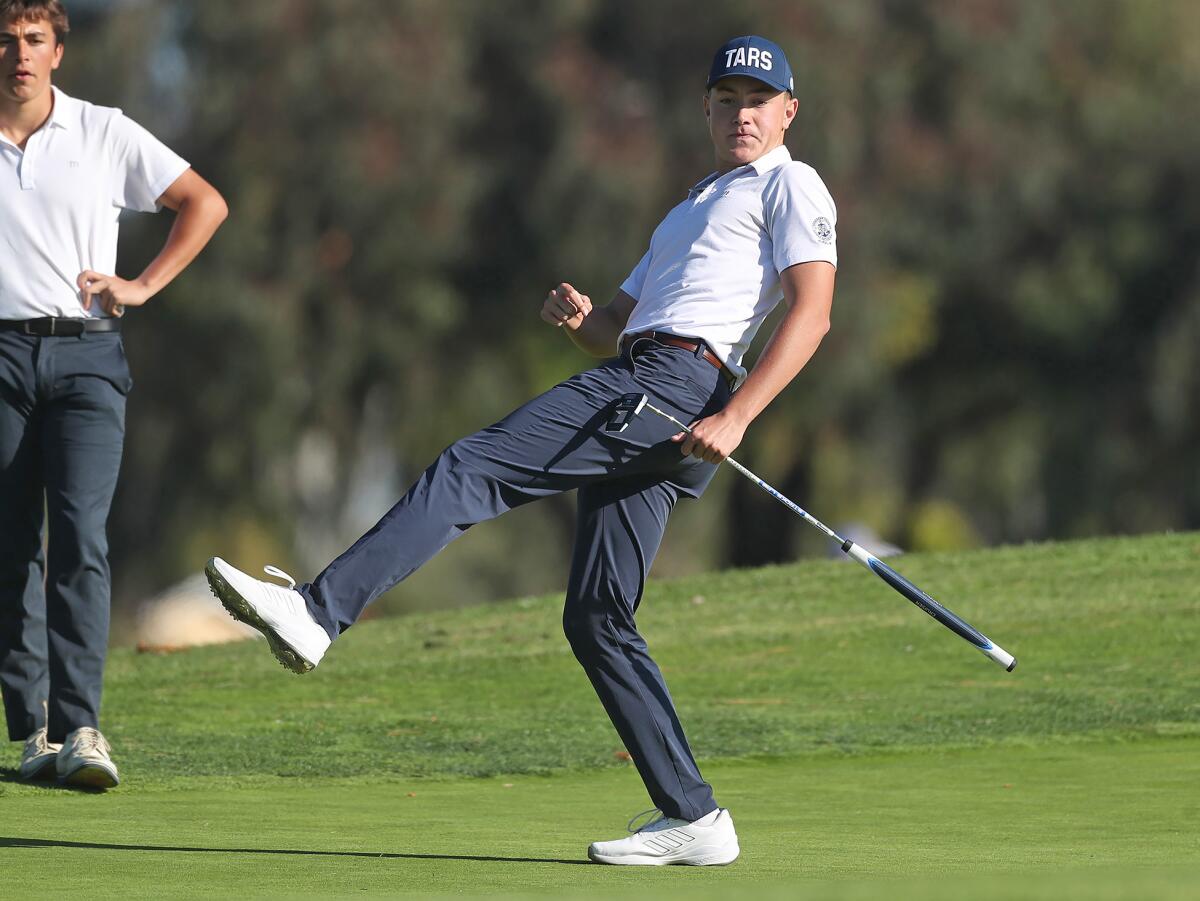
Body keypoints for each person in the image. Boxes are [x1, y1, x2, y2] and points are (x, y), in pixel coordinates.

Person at [207, 34, 835, 864]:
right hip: (655, 383)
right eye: (727, 100)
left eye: (757, 102)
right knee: (597, 616)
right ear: (706, 110)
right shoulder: (688, 207)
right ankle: (694, 815)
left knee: (472, 468)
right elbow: (619, 327)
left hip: (680, 388)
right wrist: (586, 323)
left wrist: (741, 414)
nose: (741, 115)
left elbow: (812, 310)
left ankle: (318, 614)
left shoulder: (791, 182)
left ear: (787, 111)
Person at [0, 0, 227, 788]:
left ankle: (81, 729)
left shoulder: (103, 131)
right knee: (9, 547)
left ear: (58, 50)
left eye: (33, 40)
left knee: (79, 538)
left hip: (88, 358)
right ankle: (30, 730)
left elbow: (204, 202)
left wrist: (141, 285)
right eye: (6, 40)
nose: (18, 55)